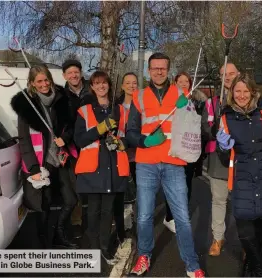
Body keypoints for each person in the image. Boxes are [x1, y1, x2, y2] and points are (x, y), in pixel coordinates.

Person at [126, 53, 204, 278]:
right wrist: (144, 141)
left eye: (163, 68)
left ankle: (192, 264)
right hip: (146, 162)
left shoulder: (181, 94)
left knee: (182, 216)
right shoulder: (138, 97)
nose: (159, 72)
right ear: (148, 71)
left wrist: (189, 107)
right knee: (144, 216)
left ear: (168, 70)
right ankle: (144, 256)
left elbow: (192, 126)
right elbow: (130, 132)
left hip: (174, 162)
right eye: (154, 68)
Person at [215, 73, 262, 277]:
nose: (241, 95)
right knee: (245, 231)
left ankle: (250, 264)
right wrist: (223, 148)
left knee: (259, 229)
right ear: (231, 93)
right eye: (237, 91)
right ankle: (259, 271)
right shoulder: (225, 118)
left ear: (253, 92)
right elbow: (225, 159)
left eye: (245, 91)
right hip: (242, 179)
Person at [11, 65, 79, 249]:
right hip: (42, 162)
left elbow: (70, 126)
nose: (44, 84)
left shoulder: (61, 99)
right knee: (45, 204)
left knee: (71, 199)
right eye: (39, 81)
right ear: (32, 83)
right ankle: (44, 242)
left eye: (46, 79)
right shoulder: (27, 104)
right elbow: (24, 139)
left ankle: (59, 233)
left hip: (61, 159)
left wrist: (64, 139)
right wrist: (33, 168)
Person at [73, 70, 129, 265]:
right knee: (93, 212)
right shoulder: (85, 111)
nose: (101, 86)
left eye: (104, 83)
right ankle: (93, 249)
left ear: (109, 85)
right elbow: (79, 140)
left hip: (113, 169)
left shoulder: (119, 110)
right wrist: (99, 129)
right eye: (97, 83)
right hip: (93, 170)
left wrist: (121, 142)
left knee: (108, 213)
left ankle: (105, 248)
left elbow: (127, 135)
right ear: (92, 87)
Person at [201, 62, 240, 256]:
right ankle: (218, 237)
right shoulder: (212, 102)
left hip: (242, 157)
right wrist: (213, 129)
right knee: (219, 200)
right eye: (224, 74)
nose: (228, 77)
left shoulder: (248, 99)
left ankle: (246, 243)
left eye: (232, 73)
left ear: (238, 74)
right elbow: (205, 128)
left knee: (243, 202)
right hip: (219, 157)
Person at [163, 71, 208, 234]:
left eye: (186, 81)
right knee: (172, 185)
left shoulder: (199, 102)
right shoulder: (170, 99)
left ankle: (181, 215)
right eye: (180, 81)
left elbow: (203, 125)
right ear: (175, 83)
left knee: (186, 184)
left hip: (191, 148)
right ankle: (170, 216)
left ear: (190, 84)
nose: (183, 84)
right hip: (174, 149)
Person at [62, 59, 94, 239]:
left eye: (76, 72)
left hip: (93, 143)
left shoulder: (92, 89)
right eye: (69, 73)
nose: (73, 75)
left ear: (81, 73)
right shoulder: (62, 95)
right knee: (76, 185)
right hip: (73, 146)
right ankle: (76, 221)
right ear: (64, 76)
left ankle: (94, 218)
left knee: (93, 182)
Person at [114, 72, 138, 244]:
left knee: (138, 192)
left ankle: (136, 225)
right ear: (122, 86)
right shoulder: (116, 106)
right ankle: (123, 227)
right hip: (119, 154)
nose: (131, 85)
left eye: (134, 83)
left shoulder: (142, 105)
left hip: (138, 155)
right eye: (128, 83)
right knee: (121, 193)